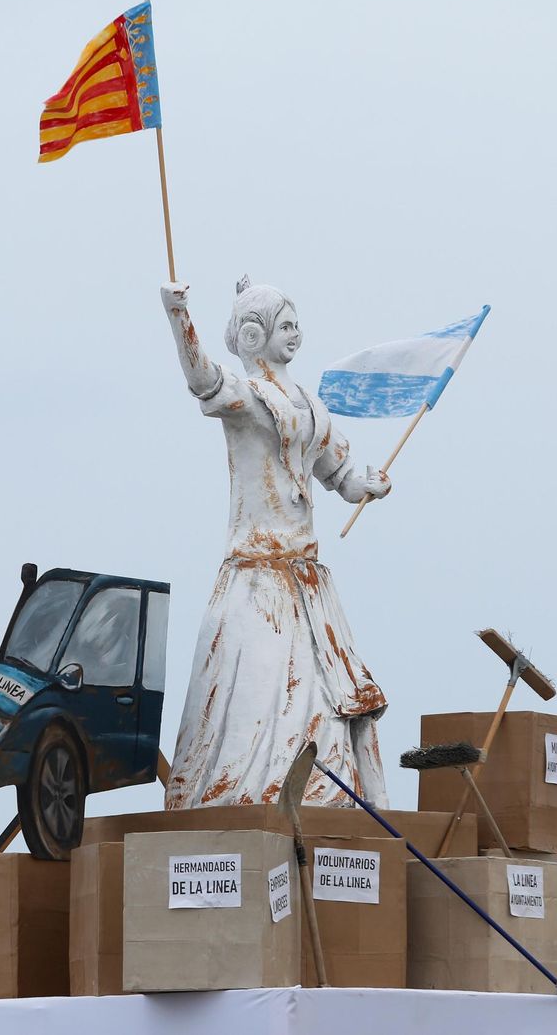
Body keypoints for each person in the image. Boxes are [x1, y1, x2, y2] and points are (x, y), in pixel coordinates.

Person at [160, 276, 392, 808]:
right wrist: (179, 316)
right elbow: (202, 379)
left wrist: (366, 485)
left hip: (307, 580)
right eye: (284, 326)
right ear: (252, 335)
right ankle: (250, 795)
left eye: (295, 325)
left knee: (324, 699)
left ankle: (324, 796)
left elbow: (339, 475)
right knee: (260, 694)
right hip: (257, 577)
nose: (296, 334)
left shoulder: (312, 406)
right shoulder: (248, 399)